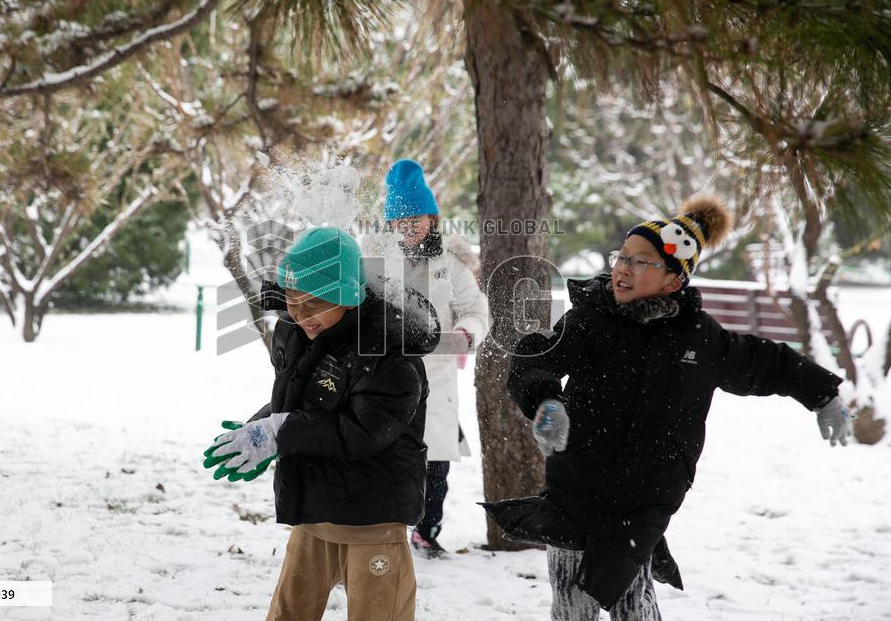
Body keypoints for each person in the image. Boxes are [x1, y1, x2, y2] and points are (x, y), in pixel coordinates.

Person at [482, 196, 853, 620]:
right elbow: (536, 358)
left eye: (640, 262)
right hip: (578, 489)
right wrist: (545, 399)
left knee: (634, 605)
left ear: (674, 281)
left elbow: (766, 363)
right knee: (573, 606)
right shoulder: (591, 322)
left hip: (645, 502)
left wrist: (822, 392)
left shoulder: (699, 339)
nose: (622, 268)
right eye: (621, 257)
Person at [202, 226, 441, 621]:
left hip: (372, 519)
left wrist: (282, 434)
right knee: (288, 614)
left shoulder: (388, 351)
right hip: (314, 513)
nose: (300, 314)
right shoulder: (296, 332)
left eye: (314, 304)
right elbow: (301, 404)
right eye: (294, 301)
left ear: (347, 297)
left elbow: (362, 432)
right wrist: (260, 429)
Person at [378, 158, 491, 558]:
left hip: (437, 377)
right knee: (386, 456)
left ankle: (426, 532)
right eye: (402, 220)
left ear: (432, 218)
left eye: (418, 218)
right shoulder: (371, 260)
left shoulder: (452, 264)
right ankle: (384, 529)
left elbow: (475, 311)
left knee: (435, 463)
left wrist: (466, 335)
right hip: (384, 376)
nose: (411, 226)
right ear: (391, 223)